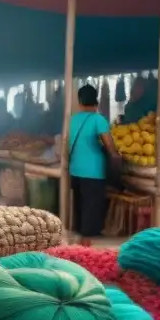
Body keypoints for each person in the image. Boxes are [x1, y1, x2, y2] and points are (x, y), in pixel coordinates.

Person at [67, 84, 121, 246]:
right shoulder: (98, 119)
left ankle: (78, 239)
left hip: (75, 170)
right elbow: (110, 147)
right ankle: (87, 244)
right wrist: (117, 160)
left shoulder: (74, 119)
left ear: (80, 100)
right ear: (96, 99)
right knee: (92, 208)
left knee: (80, 206)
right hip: (93, 172)